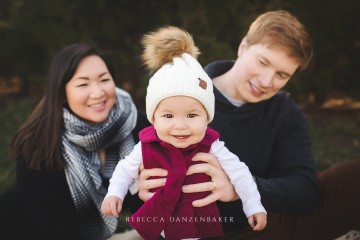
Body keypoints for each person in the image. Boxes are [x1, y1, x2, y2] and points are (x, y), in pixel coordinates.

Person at [137, 10, 360, 240]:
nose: (266, 82)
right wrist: (142, 186)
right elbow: (139, 164)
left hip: (266, 224)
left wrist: (240, 187)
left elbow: (304, 190)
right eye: (262, 62)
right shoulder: (182, 95)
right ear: (243, 47)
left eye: (281, 75)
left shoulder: (285, 112)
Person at [101, 26, 267, 240]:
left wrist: (253, 205)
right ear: (153, 119)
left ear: (207, 118)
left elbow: (240, 173)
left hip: (195, 224)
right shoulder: (147, 144)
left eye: (191, 116)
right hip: (156, 222)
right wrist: (114, 193)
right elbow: (124, 170)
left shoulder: (212, 145)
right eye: (168, 116)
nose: (180, 125)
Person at [0, 43, 150, 240]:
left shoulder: (134, 124)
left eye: (104, 80)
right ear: (62, 93)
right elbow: (55, 229)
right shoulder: (39, 144)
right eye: (83, 84)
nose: (98, 93)